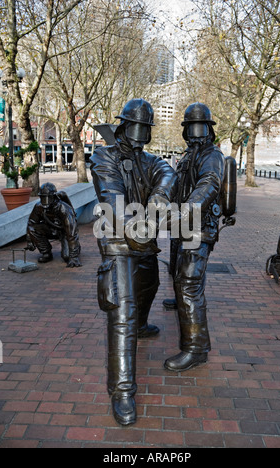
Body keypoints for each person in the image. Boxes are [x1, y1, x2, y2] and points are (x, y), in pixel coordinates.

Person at [90, 98, 178, 426]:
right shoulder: (103, 156)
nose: (139, 139)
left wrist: (158, 198)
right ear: (123, 125)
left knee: (150, 284)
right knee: (123, 311)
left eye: (145, 133)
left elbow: (166, 172)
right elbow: (112, 197)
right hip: (116, 237)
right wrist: (134, 225)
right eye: (135, 130)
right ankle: (122, 390)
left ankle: (140, 326)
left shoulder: (150, 160)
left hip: (145, 237)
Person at [163, 102, 226, 372]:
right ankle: (181, 302)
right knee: (182, 276)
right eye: (190, 128)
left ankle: (196, 348)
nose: (194, 133)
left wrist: (186, 212)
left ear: (209, 130)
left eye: (199, 128)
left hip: (199, 227)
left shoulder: (212, 156)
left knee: (189, 283)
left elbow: (208, 184)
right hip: (183, 225)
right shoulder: (188, 155)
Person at [26, 182, 81, 268]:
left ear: (54, 196)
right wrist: (29, 240)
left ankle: (76, 248)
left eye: (47, 197)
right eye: (43, 197)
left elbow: (72, 232)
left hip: (64, 232)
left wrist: (73, 257)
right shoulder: (38, 207)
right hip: (50, 230)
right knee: (33, 229)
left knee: (67, 256)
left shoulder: (63, 208)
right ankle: (46, 253)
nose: (45, 201)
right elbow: (31, 223)